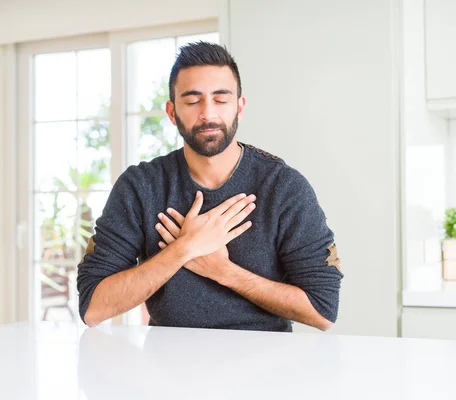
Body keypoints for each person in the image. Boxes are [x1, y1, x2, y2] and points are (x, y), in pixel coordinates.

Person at [77, 41, 343, 332]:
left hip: (266, 370)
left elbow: (323, 310)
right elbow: (93, 307)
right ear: (171, 112)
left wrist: (224, 271)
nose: (207, 114)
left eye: (221, 99)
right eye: (192, 101)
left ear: (239, 107)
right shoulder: (140, 186)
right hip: (169, 367)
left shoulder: (284, 187)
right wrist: (184, 249)